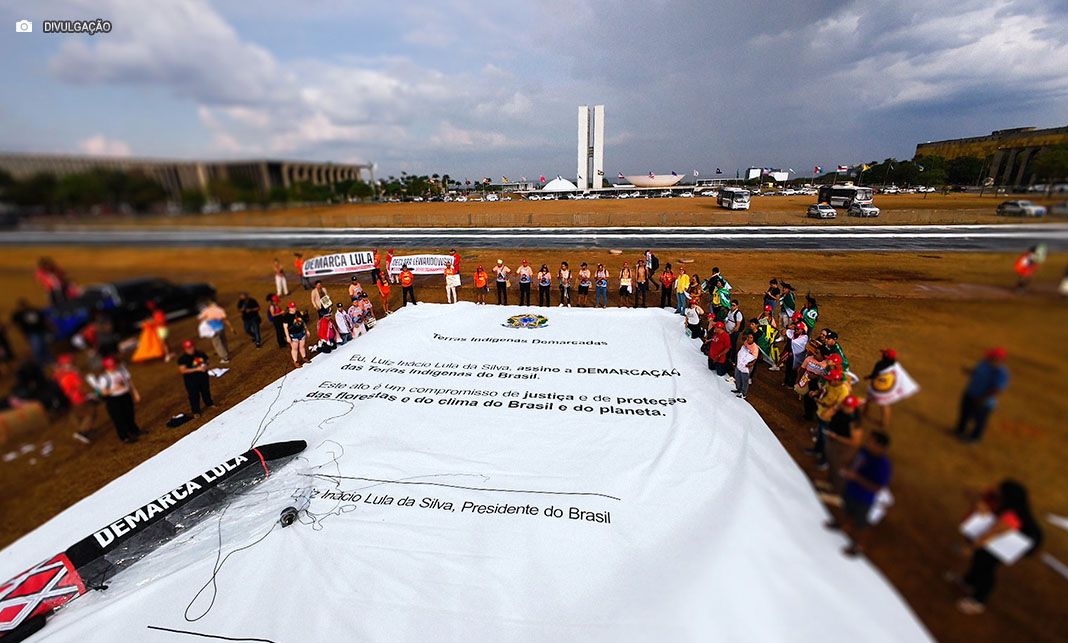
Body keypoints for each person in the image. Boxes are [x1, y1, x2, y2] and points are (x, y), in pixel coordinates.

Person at [952, 480, 1043, 614]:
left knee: (987, 567)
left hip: (1010, 543)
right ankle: (969, 581)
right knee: (980, 558)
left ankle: (978, 601)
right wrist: (981, 498)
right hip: (1002, 536)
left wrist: (970, 548)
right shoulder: (1005, 503)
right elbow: (971, 494)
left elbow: (989, 535)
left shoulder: (1011, 517)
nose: (995, 488)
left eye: (999, 489)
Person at [827, 430, 892, 557]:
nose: (867, 442)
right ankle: (842, 525)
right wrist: (846, 467)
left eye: (871, 441)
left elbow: (877, 488)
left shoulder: (883, 466)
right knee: (846, 509)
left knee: (861, 524)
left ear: (880, 446)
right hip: (850, 489)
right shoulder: (864, 451)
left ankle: (858, 545)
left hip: (863, 499)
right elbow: (855, 462)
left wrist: (856, 478)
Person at [954, 347, 1010, 443]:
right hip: (970, 393)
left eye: (991, 357)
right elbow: (977, 372)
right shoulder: (984, 363)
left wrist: (982, 398)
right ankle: (959, 430)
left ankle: (974, 438)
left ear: (999, 359)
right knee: (964, 413)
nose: (988, 357)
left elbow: (996, 389)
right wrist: (969, 371)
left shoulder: (1001, 373)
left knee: (979, 420)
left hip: (984, 401)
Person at [809, 367, 852, 471]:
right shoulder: (830, 383)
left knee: (827, 440)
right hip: (822, 413)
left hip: (830, 418)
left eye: (830, 379)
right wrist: (816, 392)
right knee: (820, 434)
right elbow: (824, 390)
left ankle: (825, 460)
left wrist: (823, 405)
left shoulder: (843, 391)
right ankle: (817, 451)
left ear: (837, 380)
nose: (828, 380)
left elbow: (837, 407)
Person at [96, 356, 142, 443]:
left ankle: (134, 431)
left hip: (125, 395)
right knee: (119, 419)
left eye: (114, 365)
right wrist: (114, 389)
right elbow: (103, 392)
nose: (113, 368)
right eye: (111, 367)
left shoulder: (121, 371)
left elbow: (129, 382)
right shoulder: (104, 378)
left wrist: (135, 393)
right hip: (114, 400)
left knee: (130, 414)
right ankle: (124, 437)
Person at [822, 394, 864, 492]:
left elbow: (855, 442)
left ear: (853, 407)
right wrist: (835, 407)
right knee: (832, 465)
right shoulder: (839, 411)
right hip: (833, 443)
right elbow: (824, 417)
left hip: (845, 449)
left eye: (848, 406)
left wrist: (836, 437)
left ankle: (837, 494)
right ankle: (830, 485)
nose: (845, 408)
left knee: (839, 470)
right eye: (845, 405)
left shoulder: (855, 421)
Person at [54, 353, 97, 443]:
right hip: (79, 398)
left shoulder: (59, 375)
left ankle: (85, 430)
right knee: (90, 413)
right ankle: (82, 432)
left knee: (79, 414)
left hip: (71, 398)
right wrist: (90, 394)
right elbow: (80, 388)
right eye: (70, 363)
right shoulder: (71, 375)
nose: (73, 363)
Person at [176, 339, 213, 418]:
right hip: (191, 380)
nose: (191, 349)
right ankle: (196, 411)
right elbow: (183, 370)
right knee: (194, 395)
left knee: (206, 391)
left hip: (203, 377)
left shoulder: (200, 353)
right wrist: (197, 369)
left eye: (192, 347)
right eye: (188, 348)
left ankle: (210, 404)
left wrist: (205, 366)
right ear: (185, 349)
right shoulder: (183, 359)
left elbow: (207, 361)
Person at [864, 348, 899, 428]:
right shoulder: (895, 366)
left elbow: (874, 376)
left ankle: (864, 414)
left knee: (868, 399)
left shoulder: (880, 364)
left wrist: (867, 377)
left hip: (876, 388)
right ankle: (885, 423)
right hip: (888, 389)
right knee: (885, 405)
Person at [12, 299, 52, 365]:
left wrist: (50, 328)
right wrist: (22, 331)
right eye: (22, 306)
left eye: (24, 305)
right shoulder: (19, 314)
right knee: (36, 347)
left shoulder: (35, 310)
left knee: (44, 346)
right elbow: (15, 322)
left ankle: (48, 360)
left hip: (41, 331)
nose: (24, 307)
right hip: (31, 333)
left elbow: (44, 320)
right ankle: (40, 362)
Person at [282, 302, 309, 368]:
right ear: (289, 309)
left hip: (301, 332)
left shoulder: (298, 313)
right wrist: (288, 336)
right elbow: (285, 327)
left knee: (302, 346)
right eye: (292, 307)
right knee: (294, 348)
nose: (294, 308)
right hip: (293, 334)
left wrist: (306, 330)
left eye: (294, 307)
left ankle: (304, 357)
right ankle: (296, 361)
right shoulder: (286, 317)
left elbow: (303, 322)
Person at [732, 332, 758, 399]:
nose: (749, 339)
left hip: (746, 367)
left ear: (753, 339)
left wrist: (750, 365)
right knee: (738, 377)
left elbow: (754, 359)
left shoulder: (755, 348)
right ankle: (738, 389)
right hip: (740, 364)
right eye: (748, 337)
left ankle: (743, 393)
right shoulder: (746, 342)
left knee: (744, 380)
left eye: (751, 338)